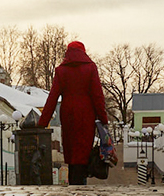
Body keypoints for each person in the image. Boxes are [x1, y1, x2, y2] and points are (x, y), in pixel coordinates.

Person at [38, 41, 110, 185]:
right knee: (83, 151)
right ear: (83, 52)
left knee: (71, 152)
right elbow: (97, 96)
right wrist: (103, 118)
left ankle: (74, 183)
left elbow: (52, 97)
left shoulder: (61, 70)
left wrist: (42, 122)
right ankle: (81, 183)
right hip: (86, 115)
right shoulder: (90, 68)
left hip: (68, 114)